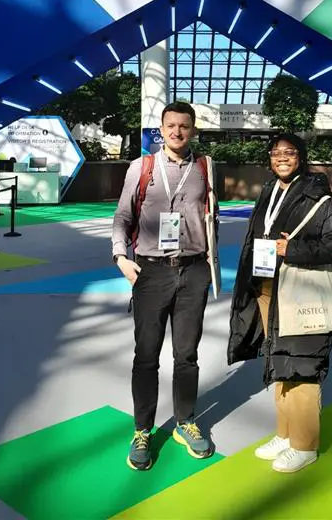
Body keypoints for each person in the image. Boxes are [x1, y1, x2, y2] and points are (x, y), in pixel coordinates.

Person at [228, 133, 332, 474]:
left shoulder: (319, 195)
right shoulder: (270, 190)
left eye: (289, 152)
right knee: (280, 360)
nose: (281, 157)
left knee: (302, 365)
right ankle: (285, 433)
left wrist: (293, 249)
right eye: (275, 152)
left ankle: (304, 445)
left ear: (301, 156)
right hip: (267, 289)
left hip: (299, 290)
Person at [112, 101, 218, 471]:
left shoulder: (205, 167)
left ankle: (185, 421)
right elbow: (122, 216)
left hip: (193, 271)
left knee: (187, 355)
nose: (177, 132)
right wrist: (120, 257)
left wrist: (211, 264)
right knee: (146, 355)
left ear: (193, 130)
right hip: (151, 271)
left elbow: (211, 216)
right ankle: (142, 430)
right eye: (171, 125)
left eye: (184, 126)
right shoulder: (140, 167)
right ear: (161, 129)